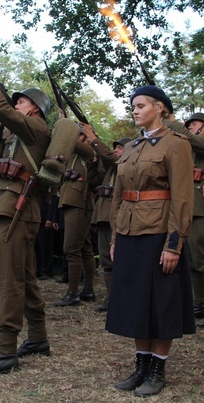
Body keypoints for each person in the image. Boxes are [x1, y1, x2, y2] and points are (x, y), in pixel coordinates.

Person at [107, 86, 194, 397]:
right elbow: (118, 195)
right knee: (135, 301)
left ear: (160, 108)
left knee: (161, 302)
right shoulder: (130, 147)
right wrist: (116, 236)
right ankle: (141, 365)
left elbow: (182, 198)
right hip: (130, 232)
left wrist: (174, 244)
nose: (135, 110)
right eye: (133, 106)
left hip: (158, 232)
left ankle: (158, 368)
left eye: (141, 105)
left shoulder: (176, 144)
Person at [0, 62, 52, 375]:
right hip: (10, 208)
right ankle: (38, 337)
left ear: (35, 111)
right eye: (14, 100)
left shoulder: (38, 129)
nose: (16, 103)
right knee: (24, 277)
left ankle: (5, 350)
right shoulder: (17, 134)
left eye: (22, 101)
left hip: (18, 210)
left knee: (5, 279)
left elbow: (4, 110)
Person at [166, 112, 204, 328]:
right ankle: (199, 304)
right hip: (193, 207)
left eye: (193, 124)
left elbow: (188, 137)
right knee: (192, 258)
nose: (190, 128)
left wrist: (172, 120)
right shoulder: (194, 150)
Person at [85, 127, 131, 313]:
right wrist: (94, 162)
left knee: (121, 259)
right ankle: (112, 298)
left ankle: (125, 297)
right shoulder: (110, 169)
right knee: (106, 260)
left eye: (120, 147)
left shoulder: (125, 165)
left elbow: (114, 159)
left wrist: (94, 138)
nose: (116, 150)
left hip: (119, 217)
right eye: (116, 147)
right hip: (103, 216)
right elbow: (92, 180)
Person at [53, 124, 98, 307]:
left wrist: (65, 126)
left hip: (80, 203)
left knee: (71, 249)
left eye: (82, 135)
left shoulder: (89, 153)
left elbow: (70, 141)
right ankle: (87, 290)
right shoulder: (74, 156)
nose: (80, 138)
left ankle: (73, 293)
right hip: (72, 202)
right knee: (85, 248)